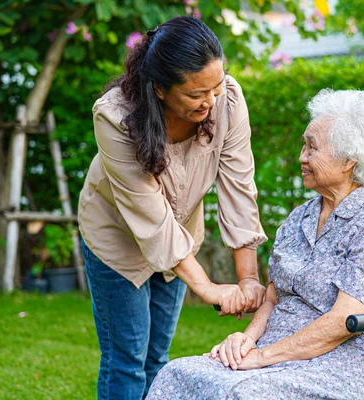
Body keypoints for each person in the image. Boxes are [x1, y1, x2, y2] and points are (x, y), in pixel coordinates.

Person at [146, 89, 364, 400]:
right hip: (276, 355)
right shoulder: (301, 218)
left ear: (349, 161)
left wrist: (262, 357)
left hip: (339, 367)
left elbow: (342, 323)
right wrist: (246, 341)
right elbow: (272, 297)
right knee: (176, 374)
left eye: (312, 148)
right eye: (303, 145)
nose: (301, 156)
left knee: (241, 393)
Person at [78, 16, 268, 400]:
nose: (211, 101)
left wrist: (247, 278)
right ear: (160, 89)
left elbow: (238, 188)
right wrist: (209, 288)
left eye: (216, 86)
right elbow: (151, 218)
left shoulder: (226, 99)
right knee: (127, 360)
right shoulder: (115, 116)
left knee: (158, 359)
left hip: (181, 240)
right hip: (117, 241)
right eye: (197, 93)